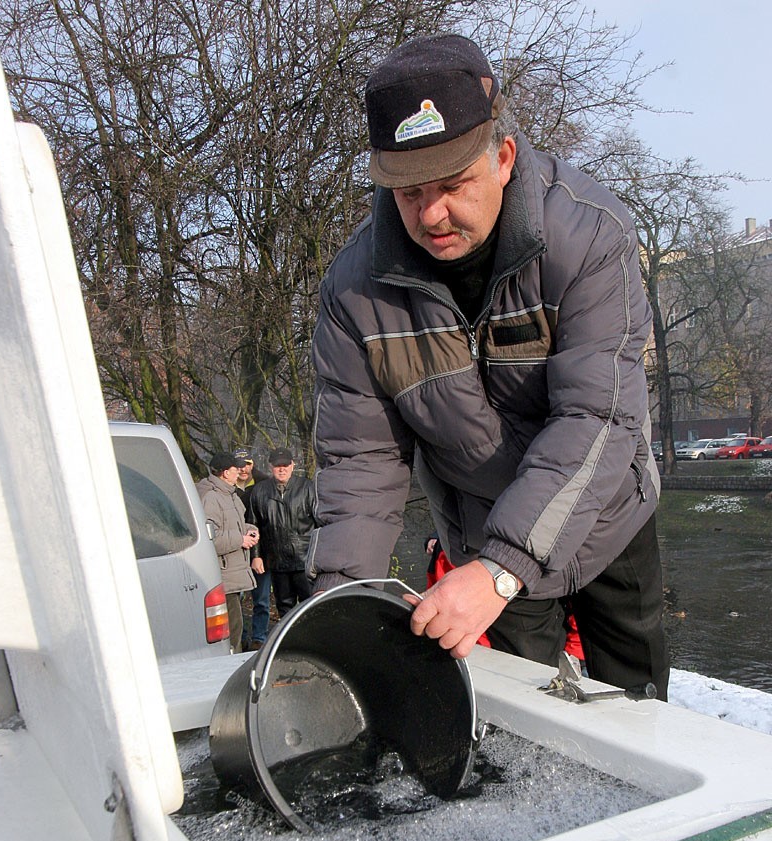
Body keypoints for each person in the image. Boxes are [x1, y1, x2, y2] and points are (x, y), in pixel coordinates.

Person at [309, 34, 669, 699]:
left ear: (502, 158)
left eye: (452, 184)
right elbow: (360, 466)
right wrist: (335, 621)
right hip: (483, 522)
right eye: (408, 192)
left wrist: (504, 568)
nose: (432, 213)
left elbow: (598, 417)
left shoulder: (591, 234)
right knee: (521, 726)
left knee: (640, 716)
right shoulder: (354, 293)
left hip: (607, 513)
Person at [196, 452, 257, 652]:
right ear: (224, 473)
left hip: (233, 577)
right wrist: (241, 539)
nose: (239, 471)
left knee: (237, 630)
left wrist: (250, 530)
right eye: (234, 468)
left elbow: (231, 525)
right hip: (224, 580)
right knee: (232, 636)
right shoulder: (211, 498)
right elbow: (209, 539)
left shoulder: (229, 494)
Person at [248, 448, 317, 617]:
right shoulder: (260, 491)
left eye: (285, 465)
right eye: (278, 465)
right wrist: (256, 556)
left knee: (312, 606)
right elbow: (252, 525)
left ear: (293, 465)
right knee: (285, 608)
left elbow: (320, 522)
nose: (282, 469)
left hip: (305, 561)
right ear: (270, 466)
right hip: (276, 560)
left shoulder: (307, 488)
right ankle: (289, 642)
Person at [232, 450, 272, 649]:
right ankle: (242, 637)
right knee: (237, 600)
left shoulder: (264, 485)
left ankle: (259, 639)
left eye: (246, 464)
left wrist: (260, 555)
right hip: (234, 553)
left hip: (260, 551)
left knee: (261, 600)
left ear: (252, 464)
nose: (243, 469)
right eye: (239, 465)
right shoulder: (227, 487)